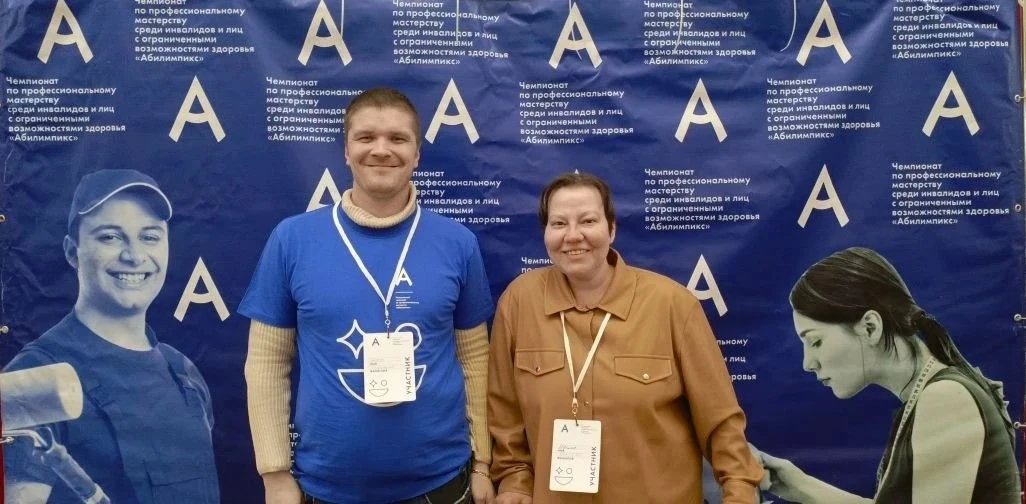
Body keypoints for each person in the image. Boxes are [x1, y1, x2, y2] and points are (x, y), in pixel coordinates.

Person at [239, 87, 496, 504]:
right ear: (346, 151)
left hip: (443, 482)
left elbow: (476, 360)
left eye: (397, 138)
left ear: (417, 154)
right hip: (326, 487)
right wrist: (274, 473)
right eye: (365, 137)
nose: (381, 150)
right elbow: (267, 363)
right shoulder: (292, 240)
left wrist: (483, 462)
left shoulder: (457, 243)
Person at [488, 172, 763, 504]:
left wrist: (739, 492)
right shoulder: (519, 302)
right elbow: (505, 413)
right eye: (559, 223)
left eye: (588, 221)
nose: (573, 235)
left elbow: (721, 421)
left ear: (612, 229)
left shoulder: (672, 305)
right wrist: (515, 482)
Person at [3, 169, 220, 504]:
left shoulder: (184, 374)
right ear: (72, 251)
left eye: (149, 237)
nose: (134, 256)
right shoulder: (36, 379)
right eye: (110, 237)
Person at [758, 247, 1021, 504]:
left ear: (870, 327)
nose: (807, 363)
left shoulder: (945, 398)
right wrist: (794, 485)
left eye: (815, 341)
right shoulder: (932, 394)